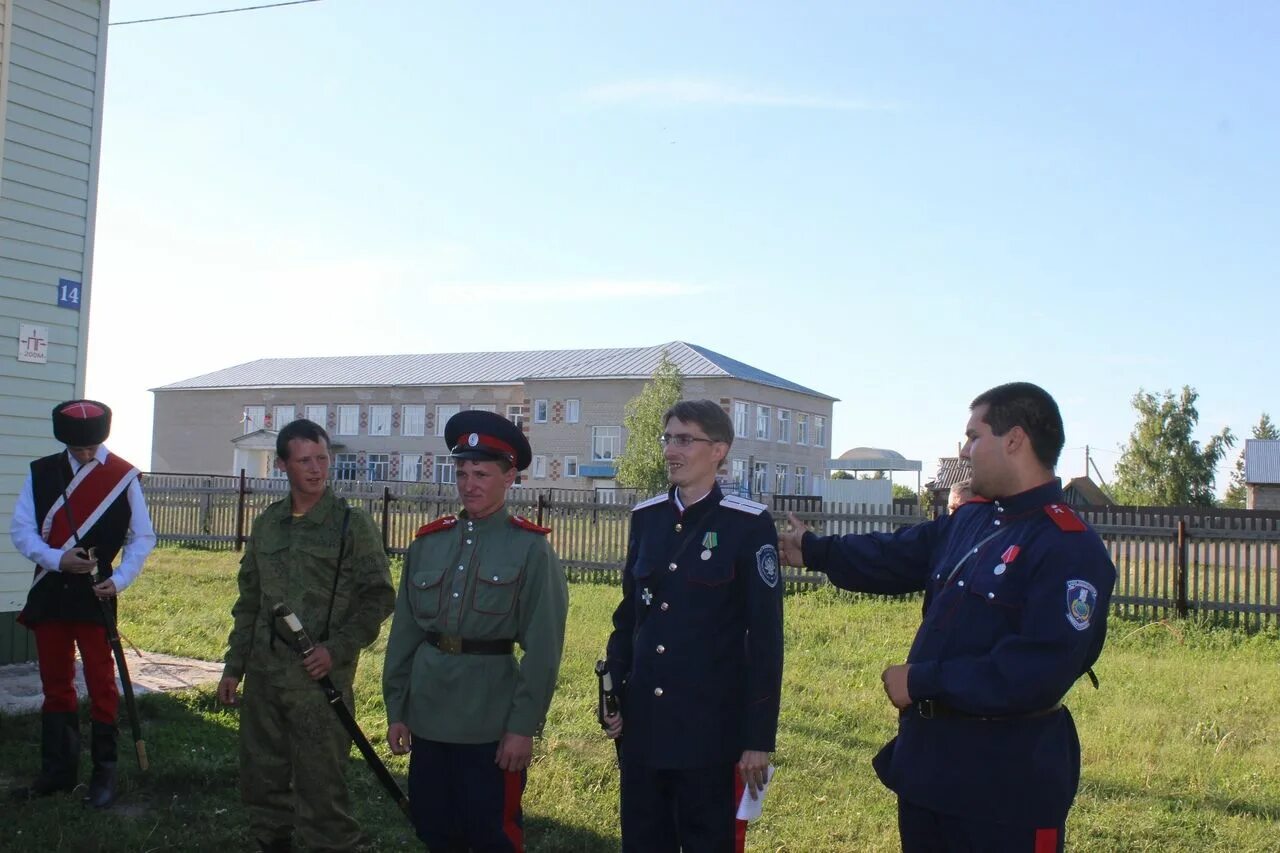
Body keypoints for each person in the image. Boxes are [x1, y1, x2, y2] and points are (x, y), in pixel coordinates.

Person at [779, 382, 1115, 852]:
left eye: (974, 437)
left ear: (1014, 440)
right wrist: (814, 550)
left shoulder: (1068, 545)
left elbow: (1037, 670)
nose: (965, 450)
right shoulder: (974, 521)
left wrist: (923, 681)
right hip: (933, 769)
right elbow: (895, 555)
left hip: (1005, 783)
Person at [383, 410, 569, 853]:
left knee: (492, 834)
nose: (469, 484)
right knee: (433, 829)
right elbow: (405, 633)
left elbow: (544, 649)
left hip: (489, 723)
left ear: (510, 477)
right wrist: (397, 707)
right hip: (428, 716)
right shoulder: (429, 542)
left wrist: (523, 727)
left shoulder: (530, 549)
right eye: (462, 472)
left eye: (481, 473)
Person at [603, 399, 784, 853]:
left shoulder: (747, 524)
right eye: (668, 438)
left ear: (718, 450)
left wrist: (757, 738)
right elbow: (631, 616)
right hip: (645, 727)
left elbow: (765, 638)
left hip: (709, 731)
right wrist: (614, 691)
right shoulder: (647, 518)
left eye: (685, 439)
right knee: (644, 840)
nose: (671, 450)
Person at [217, 418, 394, 853]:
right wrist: (233, 668)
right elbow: (250, 602)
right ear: (282, 465)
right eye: (304, 461)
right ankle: (271, 842)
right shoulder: (268, 525)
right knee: (262, 778)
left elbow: (378, 597)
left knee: (322, 788)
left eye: (322, 458)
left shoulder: (352, 526)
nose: (315, 469)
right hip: (264, 676)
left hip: (319, 683)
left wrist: (336, 650)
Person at [9, 399, 156, 808]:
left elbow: (142, 537)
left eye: (91, 447)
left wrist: (120, 579)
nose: (86, 454)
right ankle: (57, 771)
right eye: (78, 449)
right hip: (52, 590)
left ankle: (103, 773)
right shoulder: (42, 472)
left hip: (96, 592)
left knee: (101, 683)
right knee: (55, 683)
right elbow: (22, 531)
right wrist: (57, 559)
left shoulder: (122, 477)